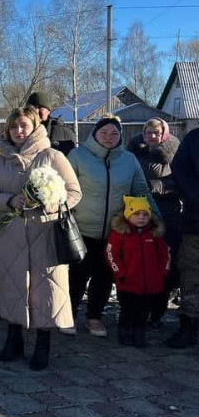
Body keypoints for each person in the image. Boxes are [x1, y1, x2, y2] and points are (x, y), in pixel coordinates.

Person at [0, 107, 82, 370]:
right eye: (13, 127)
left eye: (24, 126)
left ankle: (43, 343)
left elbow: (74, 192)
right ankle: (13, 339)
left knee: (45, 287)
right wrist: (9, 200)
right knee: (13, 285)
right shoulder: (0, 159)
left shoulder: (52, 155)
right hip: (11, 232)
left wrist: (49, 202)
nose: (18, 131)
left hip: (45, 232)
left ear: (35, 126)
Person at [67, 115, 160, 338]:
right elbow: (65, 188)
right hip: (81, 228)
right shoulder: (78, 156)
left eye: (114, 134)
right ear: (94, 134)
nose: (109, 137)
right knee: (77, 275)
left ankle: (94, 317)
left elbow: (141, 189)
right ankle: (67, 314)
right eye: (104, 133)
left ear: (120, 136)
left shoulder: (128, 159)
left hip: (115, 231)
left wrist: (156, 218)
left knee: (105, 275)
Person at [126, 118, 181, 327]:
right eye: (147, 132)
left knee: (162, 263)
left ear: (164, 134)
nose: (151, 136)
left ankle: (157, 311)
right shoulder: (134, 152)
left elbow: (181, 182)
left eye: (156, 133)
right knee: (138, 261)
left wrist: (159, 186)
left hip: (166, 214)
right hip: (138, 213)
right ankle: (134, 309)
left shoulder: (173, 154)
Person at [106, 196, 170, 348]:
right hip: (128, 282)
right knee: (127, 310)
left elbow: (165, 255)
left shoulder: (154, 234)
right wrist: (120, 273)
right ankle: (125, 332)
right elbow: (111, 255)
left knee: (143, 311)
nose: (141, 218)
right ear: (128, 215)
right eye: (137, 214)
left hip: (150, 284)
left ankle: (139, 333)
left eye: (145, 214)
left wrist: (162, 273)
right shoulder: (120, 234)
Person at [169, 126, 199, 348]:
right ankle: (188, 327)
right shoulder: (194, 138)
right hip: (196, 224)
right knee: (191, 274)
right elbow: (180, 171)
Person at [26, 91, 76, 155]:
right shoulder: (20, 133)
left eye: (40, 108)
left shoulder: (64, 133)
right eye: (32, 108)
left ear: (49, 111)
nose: (36, 111)